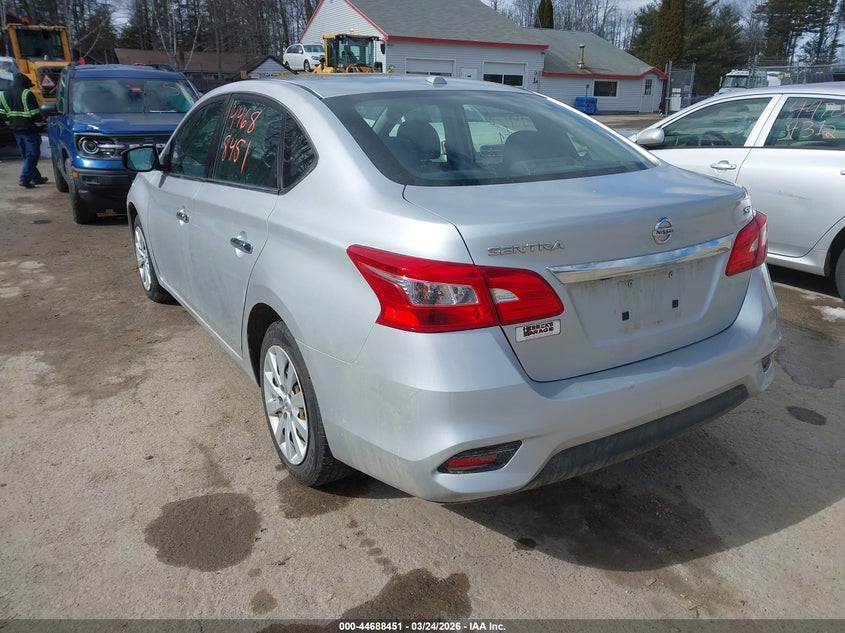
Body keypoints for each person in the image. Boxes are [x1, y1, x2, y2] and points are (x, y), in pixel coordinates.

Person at [0, 73, 47, 188]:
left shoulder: (4, 94)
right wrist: (41, 126)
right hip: (29, 130)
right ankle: (24, 179)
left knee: (27, 155)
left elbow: (3, 114)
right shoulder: (27, 94)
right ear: (25, 84)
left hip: (15, 130)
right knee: (32, 155)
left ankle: (36, 178)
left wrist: (11, 125)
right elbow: (36, 115)